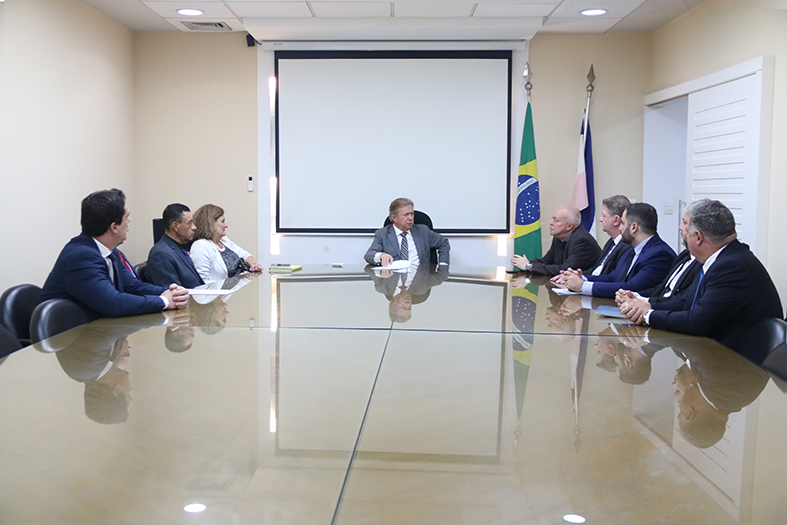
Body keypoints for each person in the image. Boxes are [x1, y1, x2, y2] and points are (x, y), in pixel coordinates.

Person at [618, 199, 783, 352]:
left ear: (698, 237)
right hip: (711, 352)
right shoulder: (719, 259)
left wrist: (646, 315)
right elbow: (686, 301)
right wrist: (647, 305)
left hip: (735, 364)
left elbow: (697, 322)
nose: (680, 228)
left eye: (685, 223)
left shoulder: (732, 266)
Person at [40, 189, 189, 320]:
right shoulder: (81, 256)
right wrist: (163, 301)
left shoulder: (110, 251)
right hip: (67, 340)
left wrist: (171, 293)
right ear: (114, 227)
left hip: (98, 333)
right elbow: (113, 303)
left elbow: (132, 286)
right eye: (127, 217)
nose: (129, 221)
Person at [556, 202, 675, 298]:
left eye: (623, 223)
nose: (620, 228)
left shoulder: (659, 254)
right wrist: (582, 278)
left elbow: (631, 287)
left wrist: (583, 286)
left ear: (634, 227)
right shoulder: (632, 250)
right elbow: (612, 277)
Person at [615, 209, 701, 309]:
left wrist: (647, 308)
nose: (680, 227)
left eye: (685, 223)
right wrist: (637, 297)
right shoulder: (685, 255)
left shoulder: (661, 253)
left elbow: (682, 301)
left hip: (666, 316)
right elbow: (662, 289)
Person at [511, 204, 600, 276]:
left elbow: (565, 270)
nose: (551, 223)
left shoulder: (582, 240)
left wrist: (529, 266)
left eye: (556, 220)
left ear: (569, 226)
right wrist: (526, 263)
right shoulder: (559, 237)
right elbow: (546, 262)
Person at [364, 198, 450, 267]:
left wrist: (443, 266)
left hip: (420, 282)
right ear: (394, 218)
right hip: (393, 282)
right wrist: (380, 256)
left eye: (412, 214)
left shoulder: (423, 231)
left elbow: (443, 243)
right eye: (406, 215)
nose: (410, 218)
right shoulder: (382, 234)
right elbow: (369, 255)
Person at [190, 204, 263, 282]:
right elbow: (202, 282)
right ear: (210, 224)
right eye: (222, 221)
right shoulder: (200, 246)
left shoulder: (223, 241)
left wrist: (254, 265)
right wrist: (235, 280)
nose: (226, 225)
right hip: (220, 293)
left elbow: (245, 255)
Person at [145, 203, 204, 288]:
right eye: (189, 223)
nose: (194, 227)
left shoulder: (178, 248)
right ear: (175, 226)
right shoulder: (161, 254)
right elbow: (173, 294)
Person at [588, 195, 632, 276]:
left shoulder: (627, 247)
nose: (600, 219)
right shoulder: (611, 242)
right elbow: (598, 269)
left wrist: (584, 282)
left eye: (604, 216)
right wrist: (578, 276)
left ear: (616, 220)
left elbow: (611, 278)